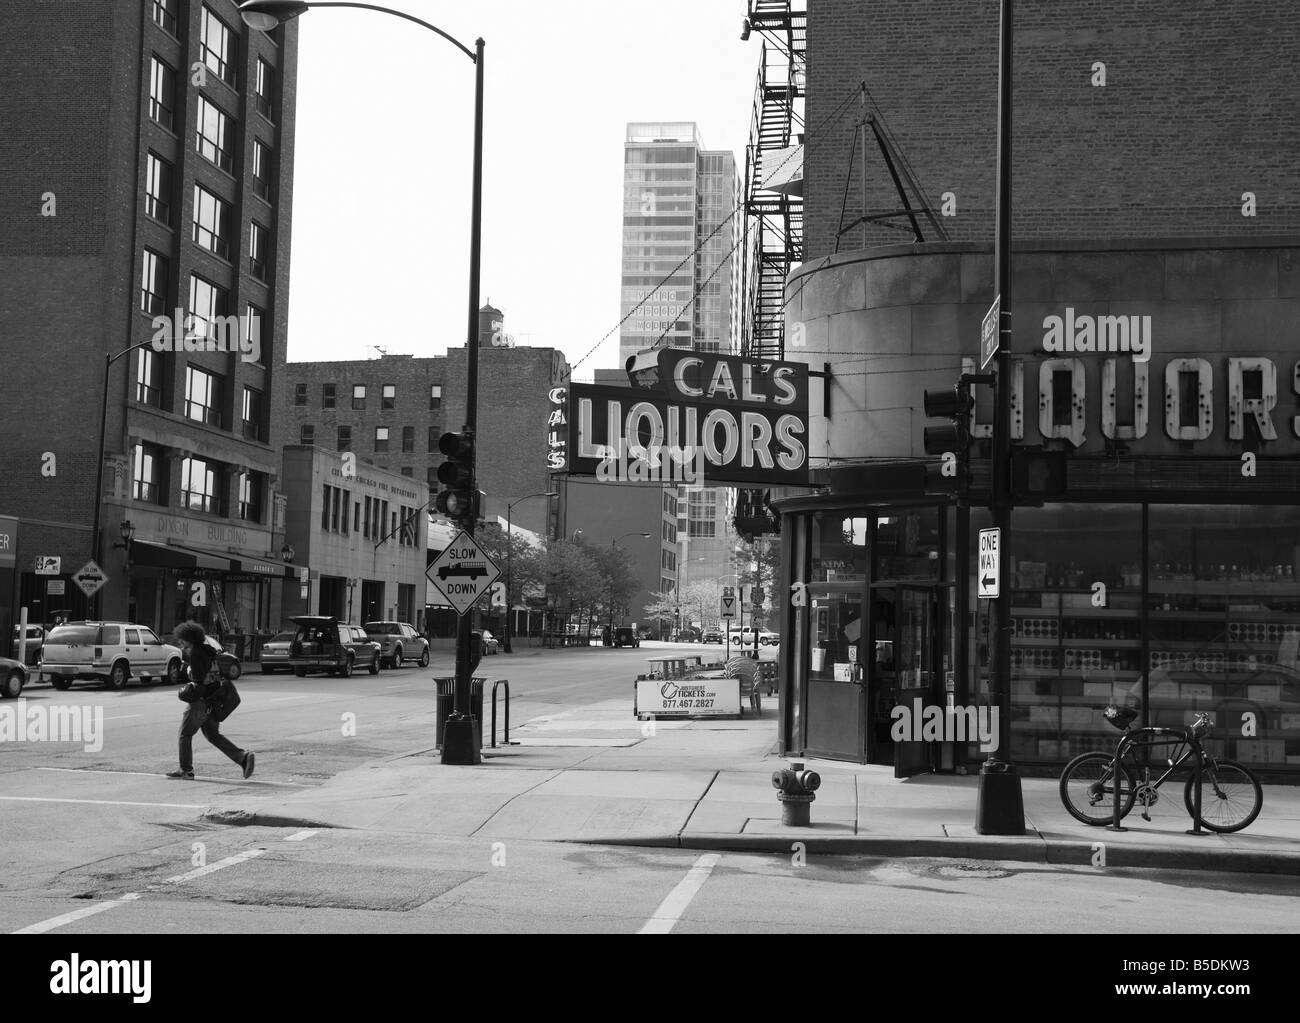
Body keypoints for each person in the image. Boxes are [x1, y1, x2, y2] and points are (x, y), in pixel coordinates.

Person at [166, 620, 255, 781]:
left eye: (182, 640)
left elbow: (200, 682)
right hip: (214, 700)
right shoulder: (209, 651)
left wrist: (185, 690)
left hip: (201, 702)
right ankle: (242, 757)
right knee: (213, 735)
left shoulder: (196, 654)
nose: (180, 643)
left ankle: (186, 770)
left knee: (185, 735)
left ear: (189, 638)